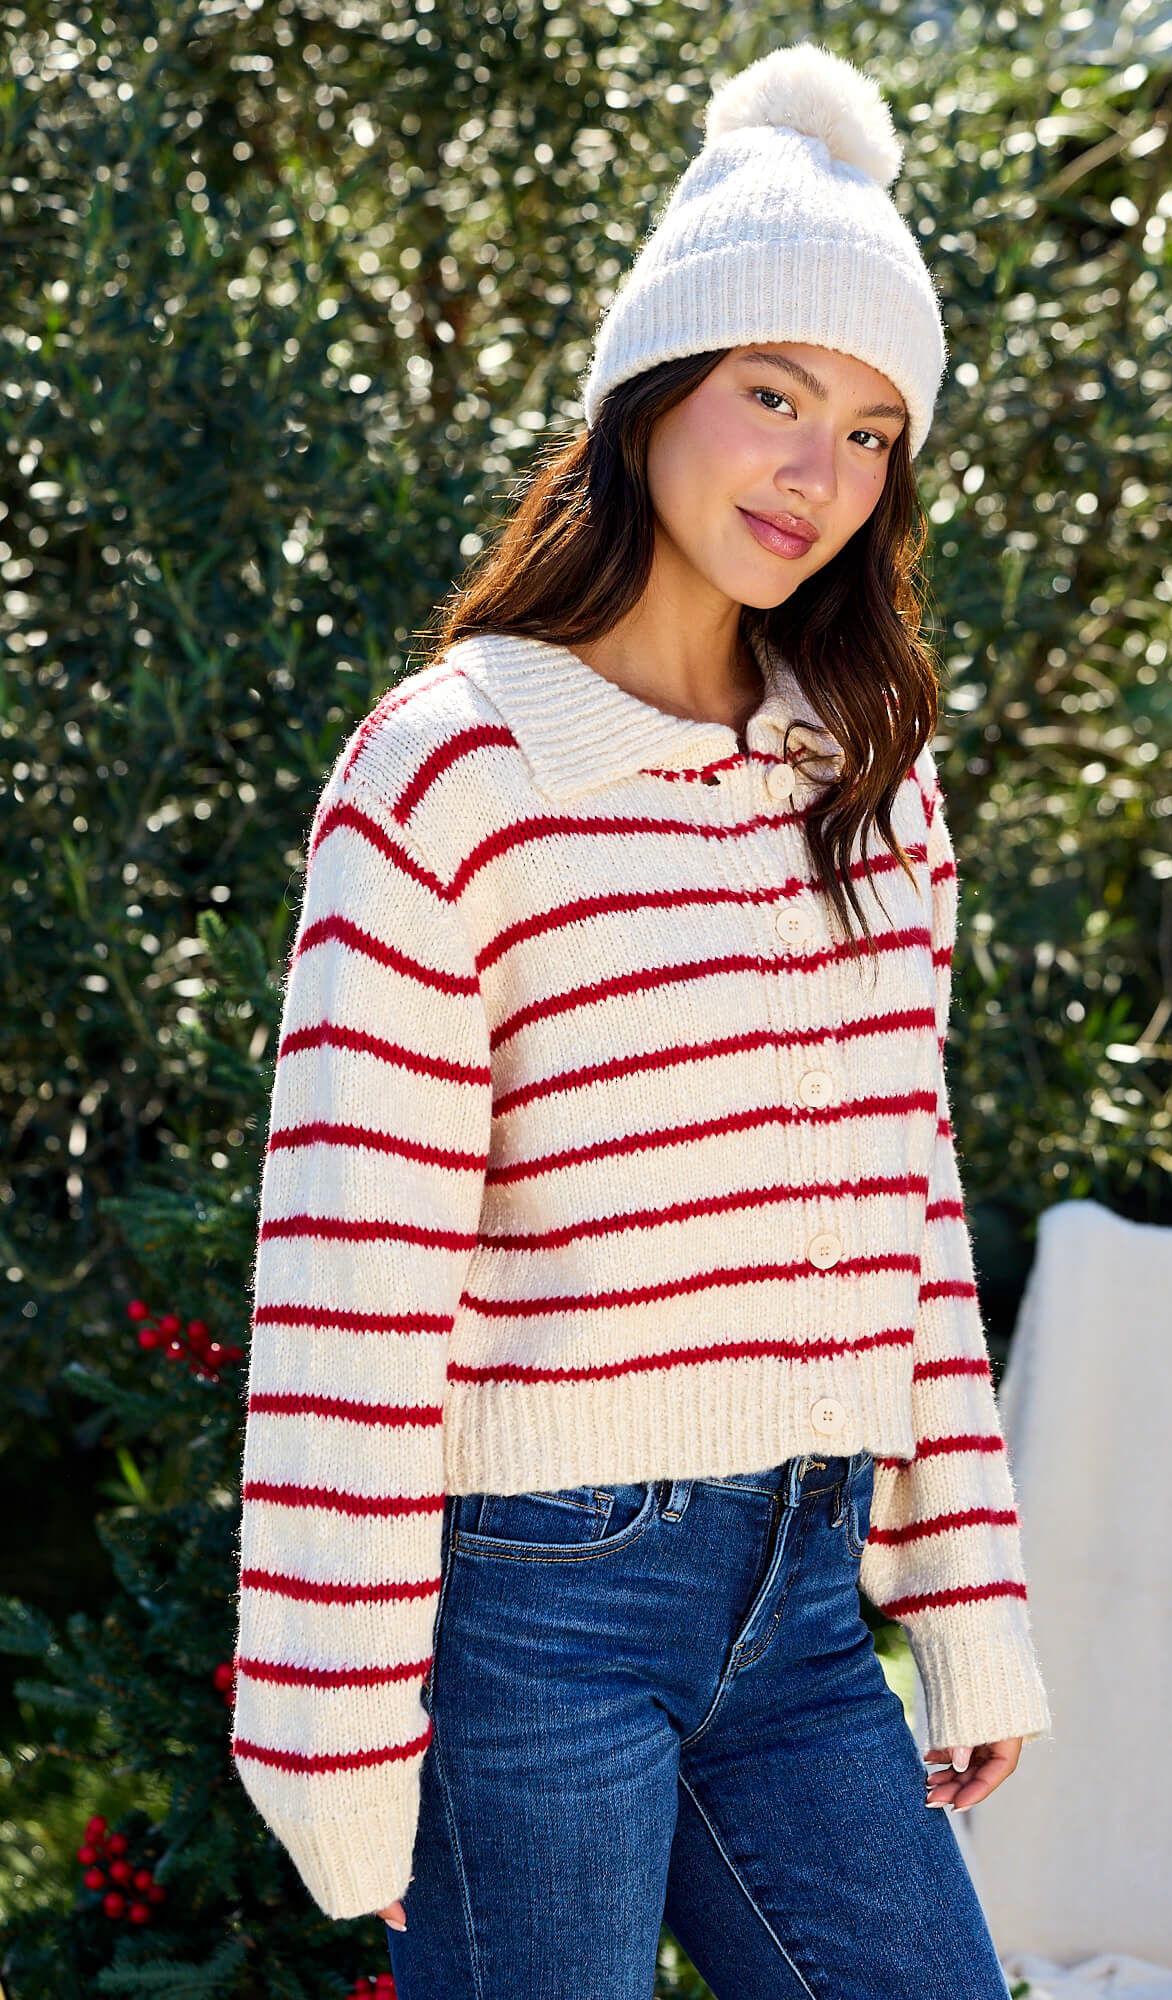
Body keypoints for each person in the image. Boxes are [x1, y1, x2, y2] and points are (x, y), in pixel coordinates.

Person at [230, 37, 1053, 1998]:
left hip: (802, 1611)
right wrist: (328, 1736)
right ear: (651, 387)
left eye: (869, 431)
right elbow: (352, 1268)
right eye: (773, 392)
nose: (815, 474)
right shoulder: (452, 771)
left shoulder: (869, 782)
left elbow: (907, 1202)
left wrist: (964, 1599)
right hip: (539, 1615)